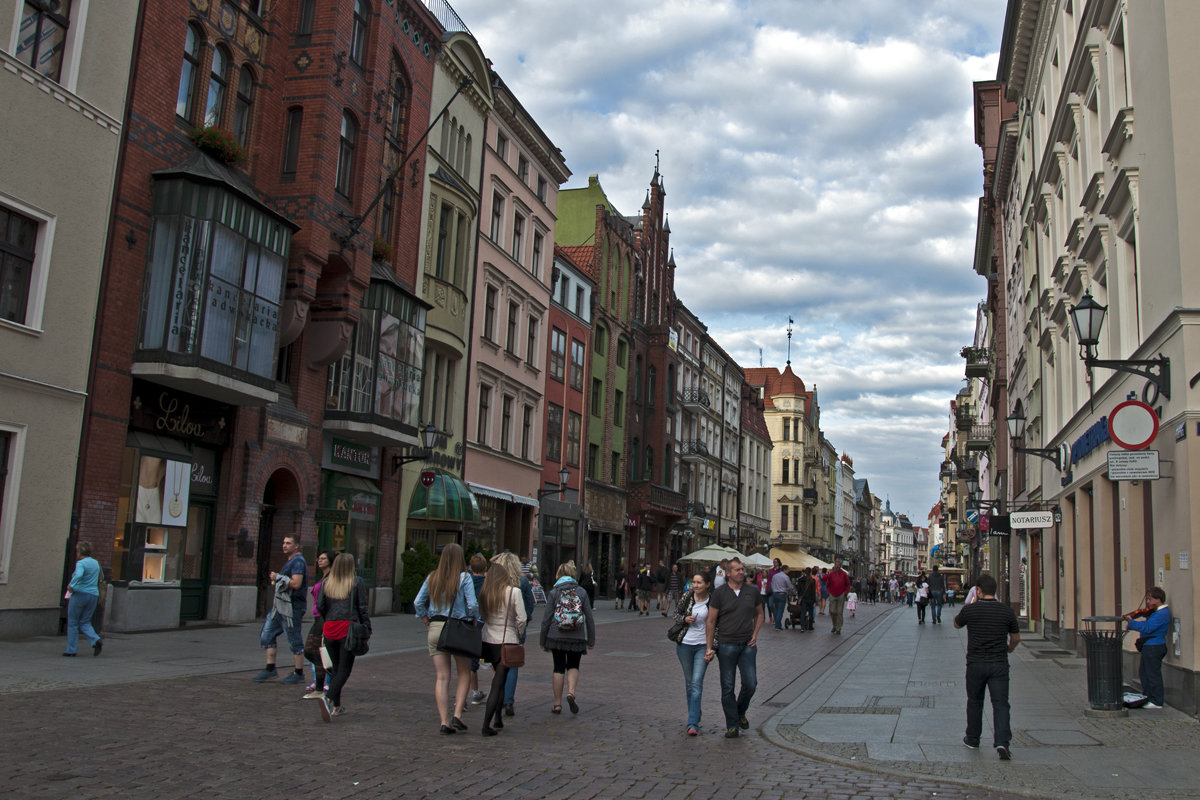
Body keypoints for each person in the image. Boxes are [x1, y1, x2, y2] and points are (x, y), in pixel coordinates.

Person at [414, 542, 479, 734]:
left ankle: (444, 721)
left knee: (442, 677)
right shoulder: (464, 577)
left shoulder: (432, 577)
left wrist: (425, 618)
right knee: (464, 672)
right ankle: (457, 713)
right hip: (458, 628)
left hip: (436, 627)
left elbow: (418, 602)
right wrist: (472, 617)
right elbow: (473, 605)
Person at [954, 573, 1019, 760]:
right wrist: (1010, 648)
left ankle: (973, 739)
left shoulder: (970, 610)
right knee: (1001, 704)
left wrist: (971, 604)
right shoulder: (1006, 611)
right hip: (999, 664)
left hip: (975, 663)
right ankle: (1002, 742)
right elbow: (1016, 637)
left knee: (974, 701)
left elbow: (957, 624)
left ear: (979, 591)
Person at [705, 557, 763, 738]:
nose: (741, 572)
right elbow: (711, 621)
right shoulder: (719, 593)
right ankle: (732, 725)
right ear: (727, 573)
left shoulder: (752, 591)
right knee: (728, 686)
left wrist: (755, 635)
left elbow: (760, 614)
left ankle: (739, 711)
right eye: (737, 570)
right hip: (726, 644)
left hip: (747, 644)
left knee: (751, 683)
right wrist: (709, 647)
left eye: (742, 569)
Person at [315, 553, 370, 722]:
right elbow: (362, 607)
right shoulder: (356, 582)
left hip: (330, 628)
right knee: (344, 670)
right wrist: (367, 626)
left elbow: (320, 606)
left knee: (336, 669)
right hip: (347, 628)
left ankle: (337, 706)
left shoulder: (326, 583)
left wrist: (328, 620)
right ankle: (329, 698)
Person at [479, 552, 527, 735]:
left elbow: (483, 616)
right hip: (506, 640)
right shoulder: (513, 592)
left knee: (498, 678)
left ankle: (498, 718)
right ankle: (486, 724)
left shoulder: (486, 592)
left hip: (488, 640)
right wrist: (518, 633)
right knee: (498, 683)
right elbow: (521, 618)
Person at [540, 560, 595, 714]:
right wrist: (591, 639)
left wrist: (542, 639)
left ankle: (557, 704)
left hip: (556, 636)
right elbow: (589, 618)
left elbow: (546, 618)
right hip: (576, 636)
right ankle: (571, 692)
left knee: (558, 668)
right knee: (573, 666)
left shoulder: (554, 592)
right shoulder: (581, 592)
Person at [254, 533, 308, 684]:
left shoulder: (298, 562)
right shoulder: (290, 561)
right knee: (267, 634)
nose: (284, 545)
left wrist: (278, 577)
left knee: (294, 638)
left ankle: (299, 672)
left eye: (288, 543)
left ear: (296, 546)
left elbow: (296, 583)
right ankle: (270, 669)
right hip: (279, 606)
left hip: (292, 607)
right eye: (284, 543)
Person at [673, 571, 712, 736]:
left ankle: (692, 723)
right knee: (690, 685)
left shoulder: (713, 601)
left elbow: (716, 625)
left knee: (696, 683)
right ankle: (695, 714)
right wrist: (685, 619)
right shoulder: (687, 597)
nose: (695, 585)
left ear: (707, 585)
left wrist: (712, 647)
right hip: (685, 645)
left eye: (699, 583)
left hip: (703, 645)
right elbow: (676, 615)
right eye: (694, 582)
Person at [502, 555, 536, 717]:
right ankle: (508, 700)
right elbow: (530, 604)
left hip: (496, 629)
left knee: (498, 663)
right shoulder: (522, 582)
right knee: (512, 664)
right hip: (517, 628)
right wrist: (525, 622)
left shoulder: (496, 582)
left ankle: (499, 696)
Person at [1126, 587, 1169, 709]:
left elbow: (1148, 627)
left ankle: (1157, 700)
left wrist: (1132, 623)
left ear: (1158, 599)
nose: (1148, 602)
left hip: (1154, 646)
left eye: (1150, 599)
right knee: (1144, 673)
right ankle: (1148, 696)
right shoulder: (1156, 613)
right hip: (1149, 646)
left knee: (1152, 674)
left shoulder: (1162, 613)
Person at [303, 549, 336, 698]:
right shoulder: (323, 577)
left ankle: (321, 685)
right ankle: (326, 680)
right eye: (318, 559)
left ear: (330, 561)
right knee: (313, 652)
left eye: (323, 558)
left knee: (313, 651)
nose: (319, 561)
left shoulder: (330, 578)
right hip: (318, 618)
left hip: (323, 619)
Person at [63, 541, 104, 657]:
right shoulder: (96, 563)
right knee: (85, 621)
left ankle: (71, 650)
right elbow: (101, 577)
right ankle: (95, 640)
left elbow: (78, 575)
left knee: (72, 622)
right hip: (93, 595)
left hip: (80, 594)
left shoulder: (81, 563)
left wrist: (71, 585)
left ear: (80, 551)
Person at [467, 553, 488, 706]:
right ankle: (499, 692)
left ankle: (474, 691)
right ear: (485, 568)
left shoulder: (465, 581)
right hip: (483, 623)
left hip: (467, 623)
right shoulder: (487, 583)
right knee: (492, 658)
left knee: (469, 660)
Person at [825, 559, 851, 634]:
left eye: (838, 565)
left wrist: (845, 592)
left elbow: (848, 584)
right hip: (832, 595)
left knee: (839, 612)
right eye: (836, 565)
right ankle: (834, 625)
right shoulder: (831, 574)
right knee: (832, 611)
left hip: (841, 595)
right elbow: (828, 584)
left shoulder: (844, 574)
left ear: (840, 566)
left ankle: (838, 628)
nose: (837, 566)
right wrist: (829, 592)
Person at [768, 565, 792, 630]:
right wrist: (787, 589)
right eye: (788, 569)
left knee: (776, 609)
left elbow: (772, 584)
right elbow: (790, 586)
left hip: (775, 594)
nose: (789, 571)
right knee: (780, 610)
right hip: (782, 594)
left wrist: (775, 590)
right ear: (785, 570)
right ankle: (777, 626)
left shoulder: (775, 576)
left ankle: (777, 624)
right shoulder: (786, 577)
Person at [796, 566, 817, 632]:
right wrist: (814, 600)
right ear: (810, 572)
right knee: (811, 613)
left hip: (803, 599)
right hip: (810, 598)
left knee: (803, 612)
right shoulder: (812, 580)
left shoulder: (800, 580)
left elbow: (798, 590)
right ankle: (810, 626)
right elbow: (813, 591)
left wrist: (799, 596)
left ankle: (802, 626)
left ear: (804, 572)